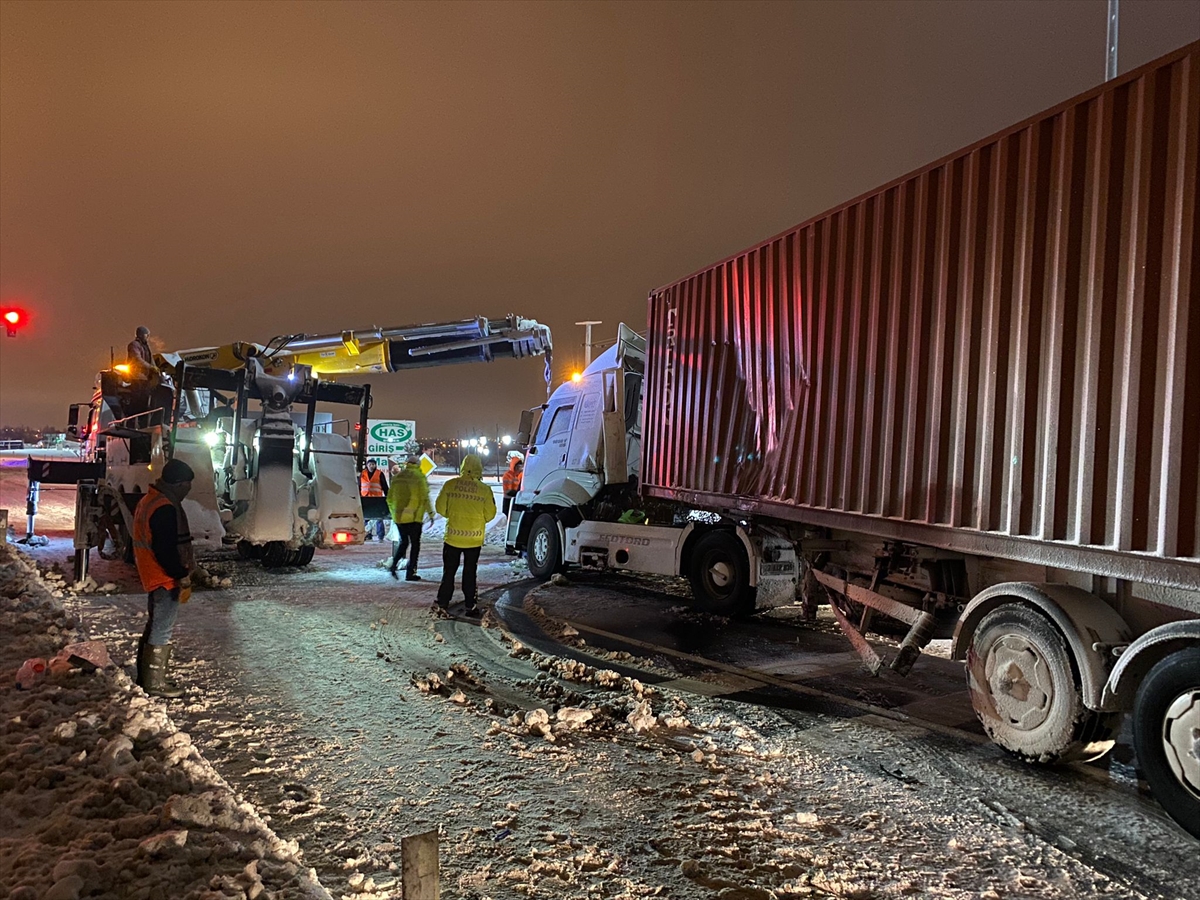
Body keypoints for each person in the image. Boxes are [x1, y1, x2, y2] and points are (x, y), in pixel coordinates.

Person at [131, 458, 196, 698]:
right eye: (187, 484)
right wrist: (181, 575)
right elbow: (165, 549)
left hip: (153, 572)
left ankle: (146, 676)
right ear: (178, 484)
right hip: (163, 577)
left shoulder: (151, 499)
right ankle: (154, 684)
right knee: (162, 628)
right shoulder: (165, 507)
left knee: (154, 626)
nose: (188, 489)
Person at [434, 453, 496, 618]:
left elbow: (440, 508)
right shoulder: (485, 490)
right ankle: (470, 605)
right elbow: (490, 514)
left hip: (453, 538)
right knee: (470, 572)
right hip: (473, 540)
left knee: (449, 572)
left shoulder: (450, 485)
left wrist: (452, 515)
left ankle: (442, 602)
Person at [387, 451, 434, 581]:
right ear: (418, 464)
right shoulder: (419, 477)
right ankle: (410, 572)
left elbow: (389, 498)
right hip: (414, 517)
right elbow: (424, 498)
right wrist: (431, 514)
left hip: (399, 517)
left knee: (404, 542)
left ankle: (394, 565)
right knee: (415, 545)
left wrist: (395, 514)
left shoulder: (398, 477)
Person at [359, 458, 389, 541]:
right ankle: (366, 534)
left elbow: (384, 486)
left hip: (376, 498)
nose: (371, 466)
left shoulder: (379, 474)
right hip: (365, 498)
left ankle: (380, 535)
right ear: (367, 465)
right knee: (366, 517)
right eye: (370, 464)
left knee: (378, 518)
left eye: (373, 464)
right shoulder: (363, 474)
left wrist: (388, 496)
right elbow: (359, 485)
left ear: (375, 465)